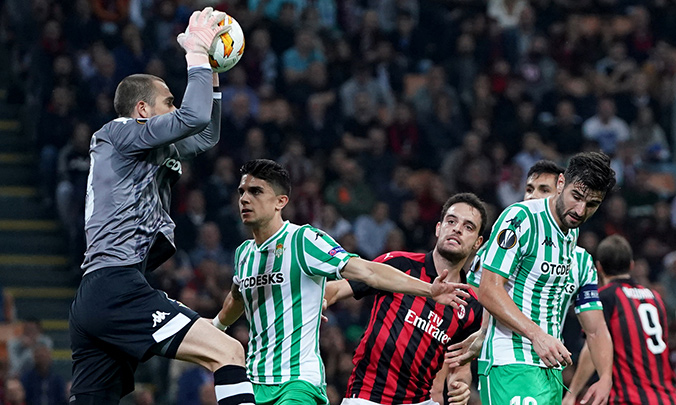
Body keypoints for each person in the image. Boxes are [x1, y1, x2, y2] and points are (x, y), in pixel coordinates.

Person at [68, 8, 256, 405]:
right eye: (168, 102)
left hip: (99, 294)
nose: (175, 110)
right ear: (141, 110)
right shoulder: (120, 133)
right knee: (228, 351)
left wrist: (212, 72)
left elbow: (203, 134)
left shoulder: (148, 147)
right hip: (117, 288)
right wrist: (196, 54)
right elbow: (193, 116)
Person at [211, 159, 470, 405]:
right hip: (254, 381)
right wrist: (215, 327)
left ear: (281, 201)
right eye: (242, 191)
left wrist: (429, 290)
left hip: (297, 383)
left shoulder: (303, 240)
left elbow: (369, 272)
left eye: (256, 191)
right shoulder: (243, 254)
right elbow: (237, 297)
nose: (244, 199)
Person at [474, 152, 616, 405]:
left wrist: (605, 377)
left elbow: (595, 327)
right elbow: (488, 289)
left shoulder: (571, 235)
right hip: (511, 362)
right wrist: (536, 335)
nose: (580, 210)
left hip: (551, 369)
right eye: (576, 197)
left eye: (592, 204)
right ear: (561, 183)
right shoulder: (521, 218)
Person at [323, 193, 488, 405]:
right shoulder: (399, 264)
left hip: (420, 401)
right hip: (367, 396)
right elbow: (336, 290)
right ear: (438, 228)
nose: (457, 229)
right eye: (451, 221)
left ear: (477, 243)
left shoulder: (471, 306)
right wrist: (319, 302)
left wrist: (461, 385)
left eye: (468, 227)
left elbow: (460, 366)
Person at [562, 235, 676, 405]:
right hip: (668, 397)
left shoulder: (606, 297)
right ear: (631, 265)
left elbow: (593, 347)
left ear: (599, 267)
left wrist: (572, 393)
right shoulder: (655, 297)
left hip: (630, 398)